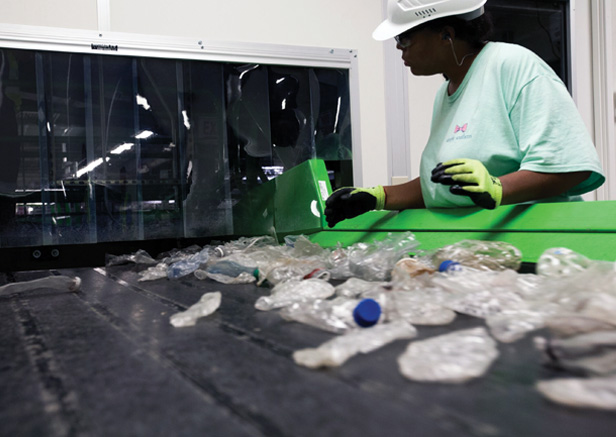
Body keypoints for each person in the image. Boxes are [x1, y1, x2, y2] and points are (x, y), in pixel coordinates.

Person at [324, 0, 605, 228]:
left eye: (405, 37)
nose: (398, 46)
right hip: (481, 248)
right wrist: (378, 197)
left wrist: (498, 188)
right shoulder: (445, 92)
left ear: (447, 34)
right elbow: (446, 186)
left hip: (539, 244)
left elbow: (571, 167)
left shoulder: (513, 65)